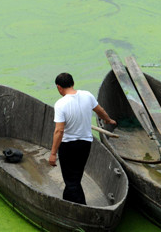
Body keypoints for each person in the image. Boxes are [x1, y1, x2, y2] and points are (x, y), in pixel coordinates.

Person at [49, 72, 117, 205]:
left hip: (68, 146)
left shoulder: (60, 104)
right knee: (75, 178)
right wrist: (108, 120)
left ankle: (81, 208)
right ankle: (67, 203)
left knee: (71, 181)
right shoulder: (87, 95)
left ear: (59, 87)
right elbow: (100, 111)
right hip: (85, 144)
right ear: (73, 83)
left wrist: (52, 153)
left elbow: (59, 130)